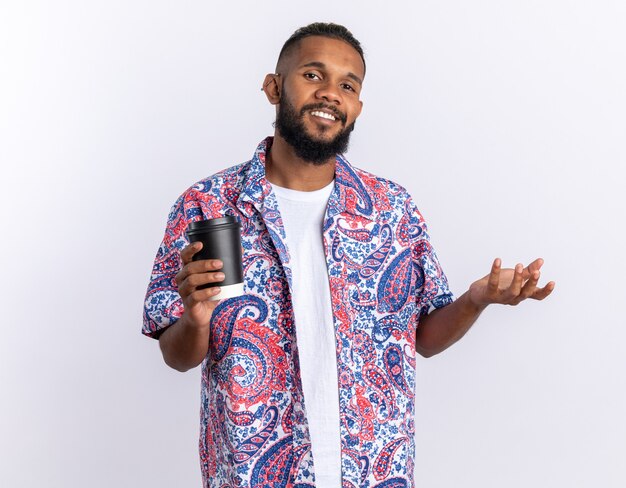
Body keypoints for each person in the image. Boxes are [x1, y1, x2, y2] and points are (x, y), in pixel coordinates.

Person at [143, 22, 555, 488]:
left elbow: (424, 338)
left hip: (372, 472)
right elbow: (177, 356)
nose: (331, 94)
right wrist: (196, 320)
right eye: (313, 76)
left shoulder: (392, 210)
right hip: (252, 474)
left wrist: (475, 300)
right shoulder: (208, 205)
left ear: (357, 105)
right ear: (274, 87)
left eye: (347, 85)